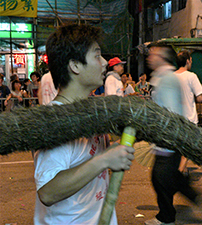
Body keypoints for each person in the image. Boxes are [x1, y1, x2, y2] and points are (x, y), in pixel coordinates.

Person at [33, 24, 135, 225]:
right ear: (75, 66)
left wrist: (112, 153)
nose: (105, 62)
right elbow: (48, 192)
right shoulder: (56, 122)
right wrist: (104, 160)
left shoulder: (88, 112)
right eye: (97, 55)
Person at [145, 45, 199, 225]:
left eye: (154, 54)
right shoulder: (161, 77)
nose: (149, 57)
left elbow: (170, 112)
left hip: (167, 140)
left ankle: (168, 217)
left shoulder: (167, 78)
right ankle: (185, 197)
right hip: (167, 139)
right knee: (163, 178)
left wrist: (166, 139)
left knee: (161, 178)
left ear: (163, 58)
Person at [174, 50, 202, 175]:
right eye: (191, 60)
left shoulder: (171, 76)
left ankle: (182, 169)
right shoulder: (191, 76)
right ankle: (180, 171)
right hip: (188, 117)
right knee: (188, 146)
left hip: (174, 117)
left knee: (178, 146)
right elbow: (200, 97)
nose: (191, 62)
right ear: (187, 61)